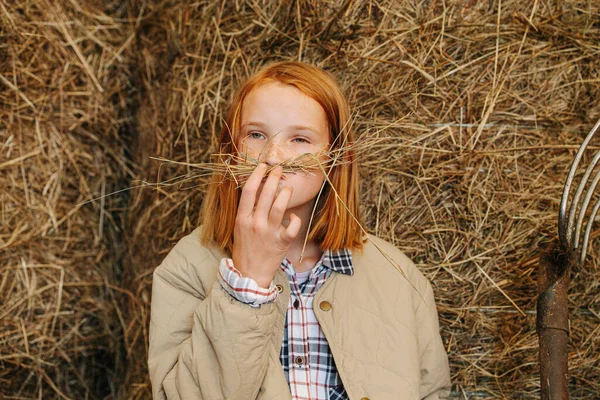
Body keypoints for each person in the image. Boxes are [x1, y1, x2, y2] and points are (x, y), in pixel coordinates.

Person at [148, 61, 451, 400]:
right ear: (231, 151)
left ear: (336, 156)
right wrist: (247, 282)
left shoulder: (398, 276)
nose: (274, 156)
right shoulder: (187, 266)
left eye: (300, 139)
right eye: (256, 134)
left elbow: (431, 391)